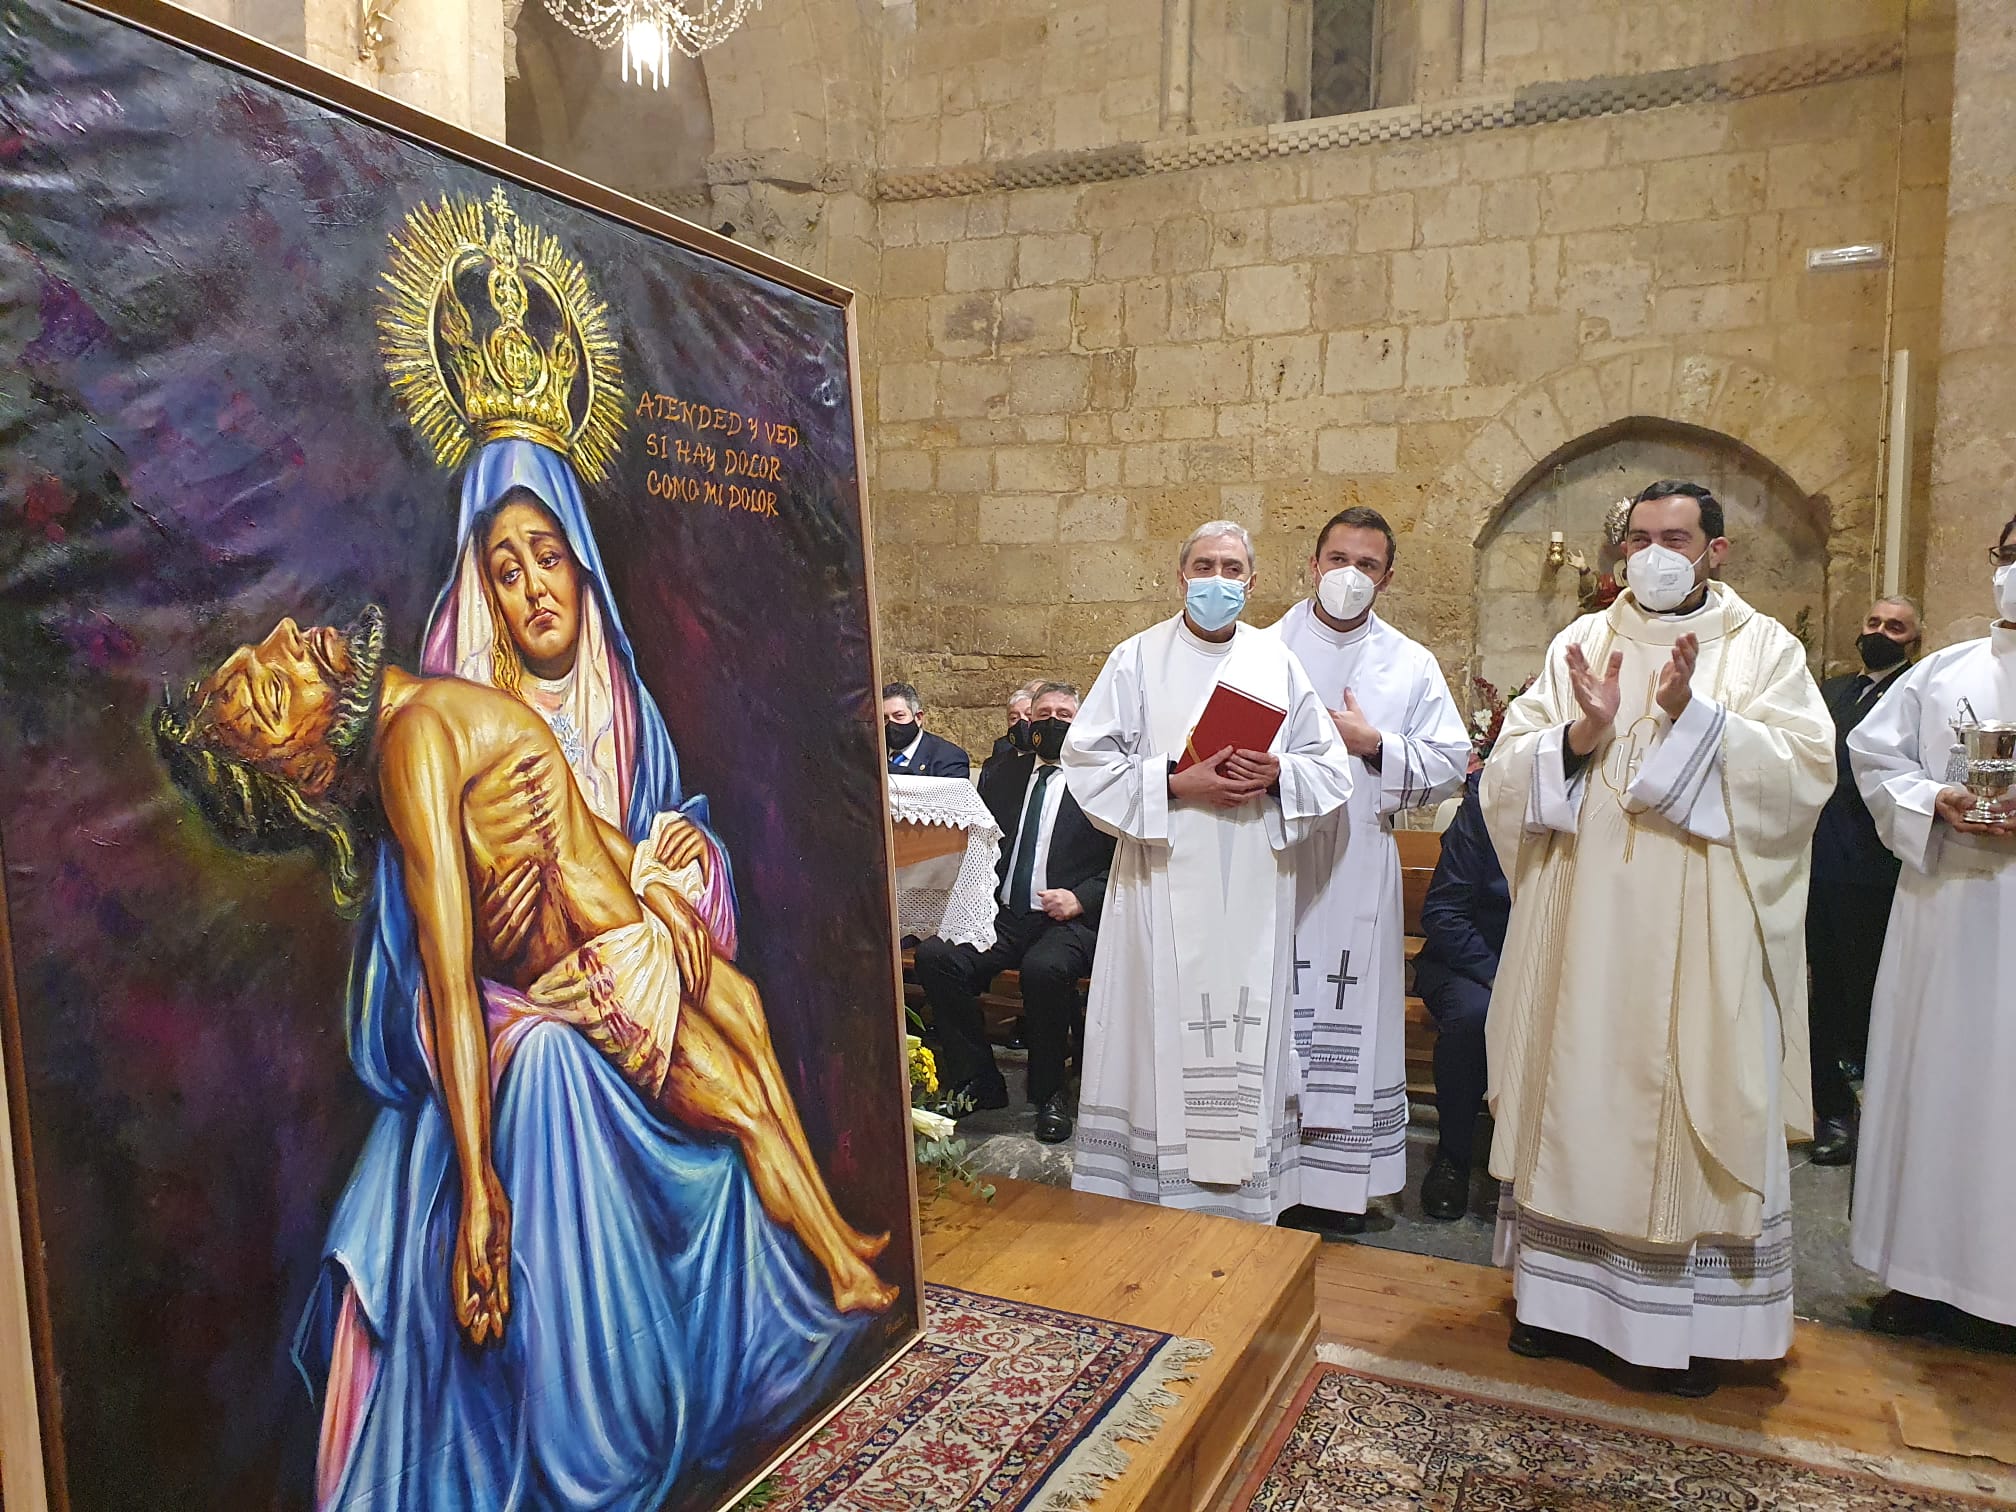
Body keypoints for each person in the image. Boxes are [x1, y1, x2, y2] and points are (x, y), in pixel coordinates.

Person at [155, 608, 894, 1508]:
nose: (286, 635)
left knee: (745, 1011)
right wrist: (480, 1185)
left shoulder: (425, 711)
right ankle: (847, 1277)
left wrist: (658, 890)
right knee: (740, 1101)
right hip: (610, 976)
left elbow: (577, 830)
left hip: (630, 931)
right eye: (273, 687)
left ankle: (833, 1234)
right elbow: (449, 977)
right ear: (304, 763)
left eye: (266, 650)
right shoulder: (415, 743)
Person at [1480, 480, 1833, 1398]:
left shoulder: (1763, 650)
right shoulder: (1578, 643)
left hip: (1699, 926)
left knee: (1681, 1096)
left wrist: (1698, 720)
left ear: (1717, 549)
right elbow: (1508, 773)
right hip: (1579, 916)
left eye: (1676, 536)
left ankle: (1675, 1328)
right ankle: (1556, 1306)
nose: (1654, 552)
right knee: (1574, 1085)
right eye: (1639, 536)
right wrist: (1579, 733)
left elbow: (1803, 776)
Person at [1062, 520, 1354, 1221]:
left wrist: (1280, 768)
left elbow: (1330, 768)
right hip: (1162, 872)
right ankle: (1145, 1191)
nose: (1216, 580)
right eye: (1203, 565)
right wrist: (1173, 782)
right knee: (1158, 1024)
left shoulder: (1278, 663)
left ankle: (1242, 1201)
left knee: (1243, 1023)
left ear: (1252, 582)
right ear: (1179, 574)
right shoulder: (1136, 658)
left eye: (1231, 568)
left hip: (1252, 875)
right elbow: (1085, 761)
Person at [1267, 506, 1469, 1235]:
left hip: (1357, 860)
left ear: (1388, 577)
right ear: (1313, 563)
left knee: (1350, 1017)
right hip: (1273, 858)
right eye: (1338, 558)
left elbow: (1450, 763)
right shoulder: (1263, 650)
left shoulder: (1409, 663)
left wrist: (1373, 741)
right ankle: (1269, 1177)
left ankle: (1339, 1187)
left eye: (1368, 564)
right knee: (1274, 1017)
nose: (1350, 575)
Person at [1845, 519, 2016, 1340]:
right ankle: (1917, 1274)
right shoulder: (1945, 672)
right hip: (1946, 906)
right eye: (2010, 553)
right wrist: (1934, 801)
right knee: (1933, 1082)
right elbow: (1876, 759)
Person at [915, 682, 1115, 1142]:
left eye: (1064, 714)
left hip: (1068, 917)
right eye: (1043, 712)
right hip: (1003, 912)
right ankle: (980, 1079)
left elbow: (1123, 859)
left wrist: (1083, 897)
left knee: (1044, 970)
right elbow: (979, 838)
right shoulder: (1006, 772)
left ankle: (1049, 1093)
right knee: (937, 957)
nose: (1052, 721)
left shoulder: (1100, 780)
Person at [1805, 595, 1921, 1165]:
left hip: (1878, 871)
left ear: (1914, 641)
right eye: (1873, 621)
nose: (1879, 631)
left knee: (1869, 994)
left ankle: (1879, 1115)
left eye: (1895, 626)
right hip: (1819, 864)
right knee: (1822, 991)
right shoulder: (1832, 693)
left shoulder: (1916, 694)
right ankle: (1830, 1109)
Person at [1412, 757, 1510, 1220]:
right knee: (1477, 1015)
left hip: (1542, 965)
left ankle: (1524, 1163)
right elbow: (1443, 913)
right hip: (1467, 961)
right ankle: (1452, 1156)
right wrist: (1501, 976)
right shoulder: (1485, 808)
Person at [884, 681, 973, 776]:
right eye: (884, 718)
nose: (891, 723)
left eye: (899, 716)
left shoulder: (949, 758)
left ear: (918, 717)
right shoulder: (871, 756)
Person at [983, 681, 1042, 775]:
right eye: (1014, 718)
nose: (1022, 721)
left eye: (1029, 714)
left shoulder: (1049, 764)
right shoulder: (992, 768)